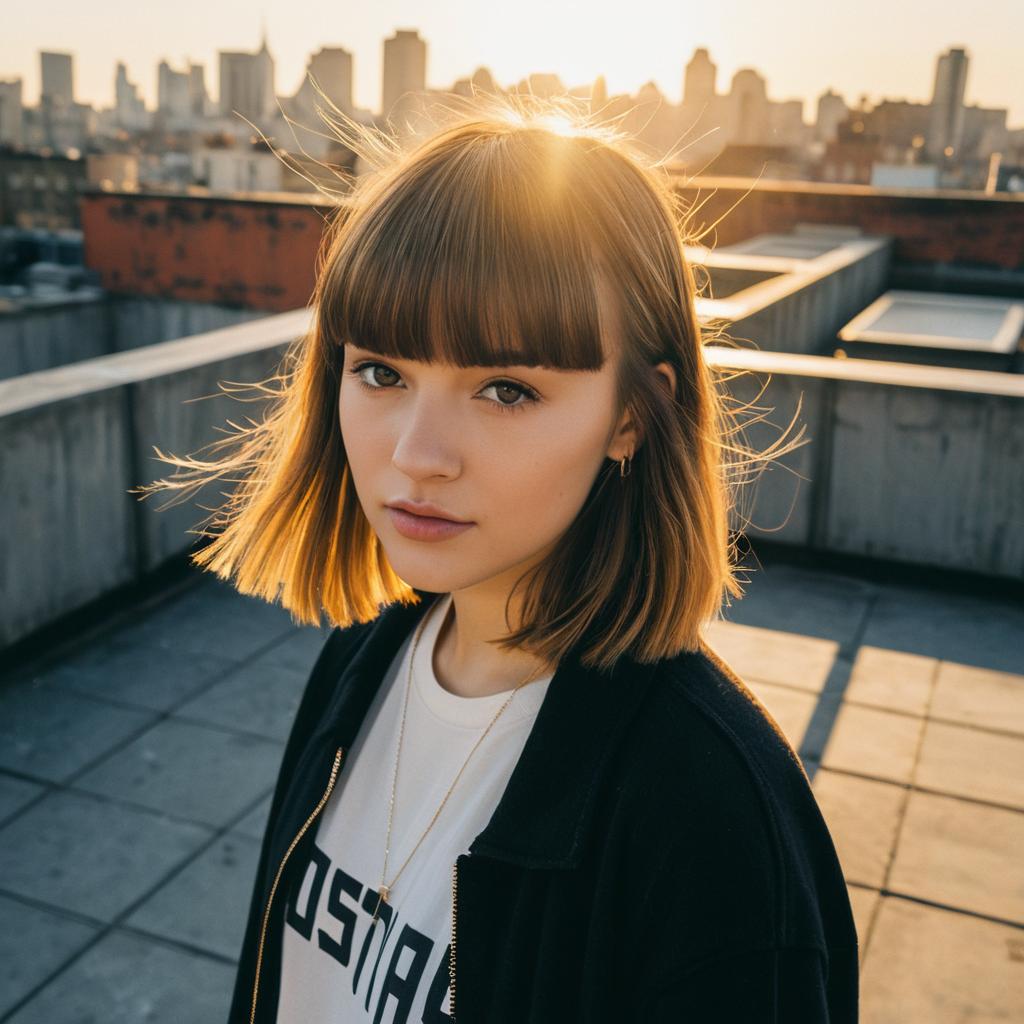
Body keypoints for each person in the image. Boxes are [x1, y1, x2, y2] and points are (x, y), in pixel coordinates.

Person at [138, 93, 859, 1022]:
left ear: (632, 416)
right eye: (382, 372)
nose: (417, 454)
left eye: (507, 389)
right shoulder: (362, 660)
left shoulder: (712, 819)